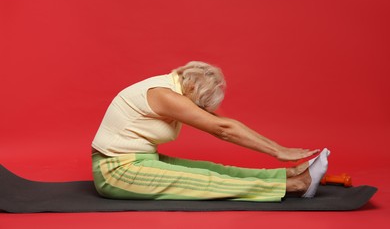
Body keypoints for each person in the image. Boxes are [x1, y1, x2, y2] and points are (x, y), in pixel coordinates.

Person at [91, 61, 329, 201]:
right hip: (116, 171)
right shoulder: (164, 94)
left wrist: (280, 151)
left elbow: (226, 124)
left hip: (139, 161)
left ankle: (288, 174)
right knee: (207, 181)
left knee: (215, 170)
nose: (200, 110)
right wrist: (278, 151)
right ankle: (296, 185)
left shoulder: (175, 86)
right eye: (201, 104)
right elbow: (222, 129)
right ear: (193, 86)